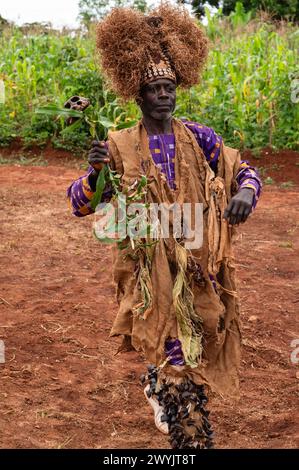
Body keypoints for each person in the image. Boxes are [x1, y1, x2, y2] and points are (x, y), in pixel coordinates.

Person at [67, 4, 262, 449]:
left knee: (202, 337)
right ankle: (189, 438)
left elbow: (244, 171)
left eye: (169, 87)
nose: (164, 96)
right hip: (149, 273)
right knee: (175, 353)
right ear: (139, 96)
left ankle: (159, 386)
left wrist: (245, 194)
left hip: (196, 265)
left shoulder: (200, 138)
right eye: (154, 89)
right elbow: (79, 203)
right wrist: (97, 176)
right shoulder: (118, 146)